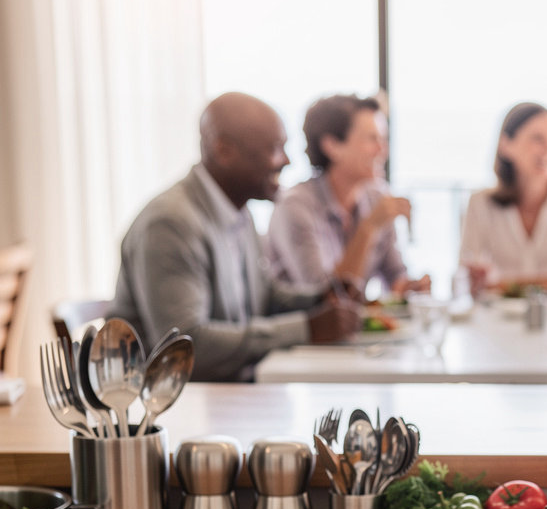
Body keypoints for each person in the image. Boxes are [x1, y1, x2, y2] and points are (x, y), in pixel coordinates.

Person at [109, 92, 360, 382]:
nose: (287, 161)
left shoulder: (240, 212)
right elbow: (186, 347)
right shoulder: (170, 224)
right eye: (275, 149)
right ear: (225, 151)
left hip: (227, 395)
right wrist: (307, 328)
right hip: (173, 410)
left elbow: (262, 296)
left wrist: (319, 298)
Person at [267, 94, 430, 299]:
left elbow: (395, 276)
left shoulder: (376, 196)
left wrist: (411, 287)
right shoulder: (295, 207)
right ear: (332, 146)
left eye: (383, 139)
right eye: (372, 139)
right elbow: (326, 299)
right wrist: (369, 227)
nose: (383, 150)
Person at [458, 102, 547, 293]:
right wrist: (474, 282)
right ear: (506, 145)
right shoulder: (479, 203)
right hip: (497, 320)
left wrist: (504, 286)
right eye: (538, 139)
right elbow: (463, 278)